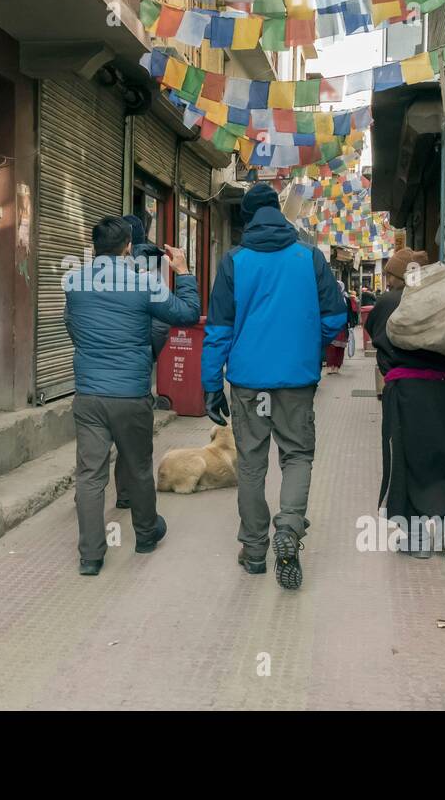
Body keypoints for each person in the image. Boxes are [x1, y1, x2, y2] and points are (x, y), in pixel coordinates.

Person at [202, 184, 346, 590]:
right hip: (296, 382)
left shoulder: (233, 262)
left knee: (250, 462)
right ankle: (289, 527)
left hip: (248, 383)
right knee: (297, 455)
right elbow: (336, 319)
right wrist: (309, 345)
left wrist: (211, 385)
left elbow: (218, 330)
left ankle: (253, 551)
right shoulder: (310, 258)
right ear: (280, 215)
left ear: (247, 219)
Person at [64, 216, 199, 576]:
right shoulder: (144, 283)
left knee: (90, 475)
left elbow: (72, 328)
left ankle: (90, 556)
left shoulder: (74, 282)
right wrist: (184, 273)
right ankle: (145, 534)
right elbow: (186, 315)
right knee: (138, 466)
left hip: (89, 394)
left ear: (95, 247)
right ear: (127, 248)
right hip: (130, 394)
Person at [364, 248, 445, 559]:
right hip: (443, 391)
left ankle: (415, 541)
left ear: (401, 276)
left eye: (390, 274)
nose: (387, 280)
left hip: (406, 392)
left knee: (406, 459)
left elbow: (375, 332)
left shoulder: (389, 302)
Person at [114, 212, 171, 510]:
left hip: (102, 362)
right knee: (132, 434)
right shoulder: (154, 263)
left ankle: (87, 494)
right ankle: (126, 495)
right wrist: (147, 352)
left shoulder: (101, 265)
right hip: (136, 364)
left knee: (95, 439)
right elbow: (161, 321)